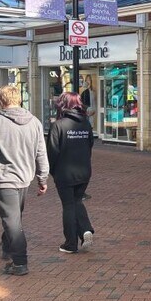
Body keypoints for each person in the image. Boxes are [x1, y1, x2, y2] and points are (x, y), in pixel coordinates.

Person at [0, 86, 49, 276]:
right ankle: (7, 246)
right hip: (24, 179)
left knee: (13, 222)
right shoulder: (34, 122)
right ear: (19, 99)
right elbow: (41, 153)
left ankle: (20, 262)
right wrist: (42, 179)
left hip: (4, 179)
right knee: (14, 218)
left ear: (0, 101)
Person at [47, 92, 95, 254]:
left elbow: (52, 152)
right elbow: (89, 146)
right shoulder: (86, 124)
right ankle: (85, 230)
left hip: (64, 173)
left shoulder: (58, 125)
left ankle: (70, 243)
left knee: (68, 205)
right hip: (84, 171)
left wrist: (52, 171)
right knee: (76, 202)